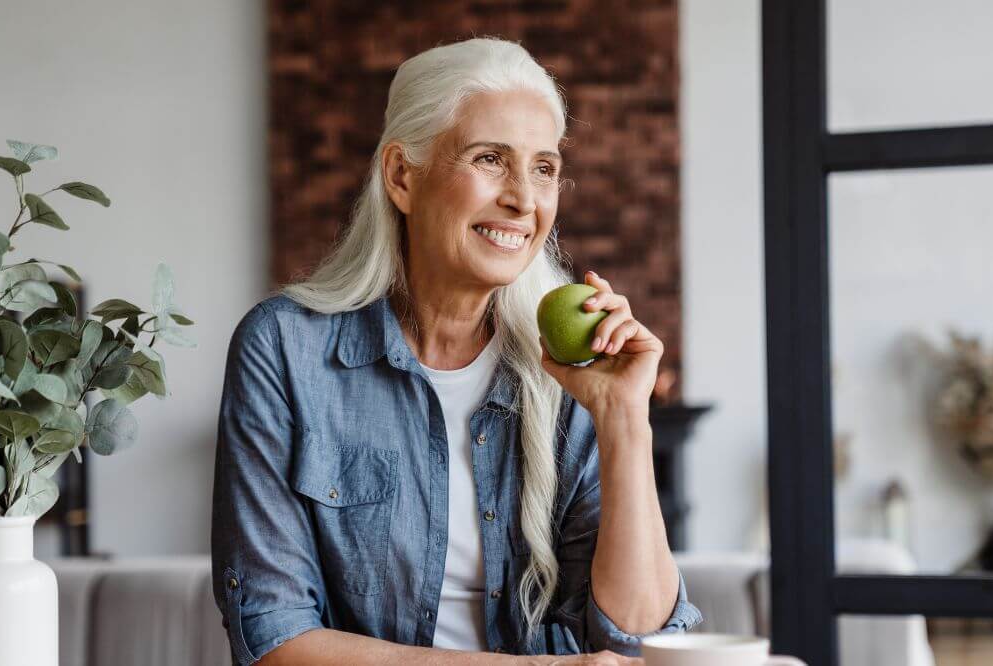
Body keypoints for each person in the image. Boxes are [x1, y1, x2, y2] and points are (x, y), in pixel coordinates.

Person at [211, 36, 701, 666]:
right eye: (490, 159)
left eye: (544, 167)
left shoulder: (569, 365)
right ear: (402, 176)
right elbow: (274, 639)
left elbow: (640, 641)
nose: (524, 199)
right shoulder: (284, 349)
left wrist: (623, 417)